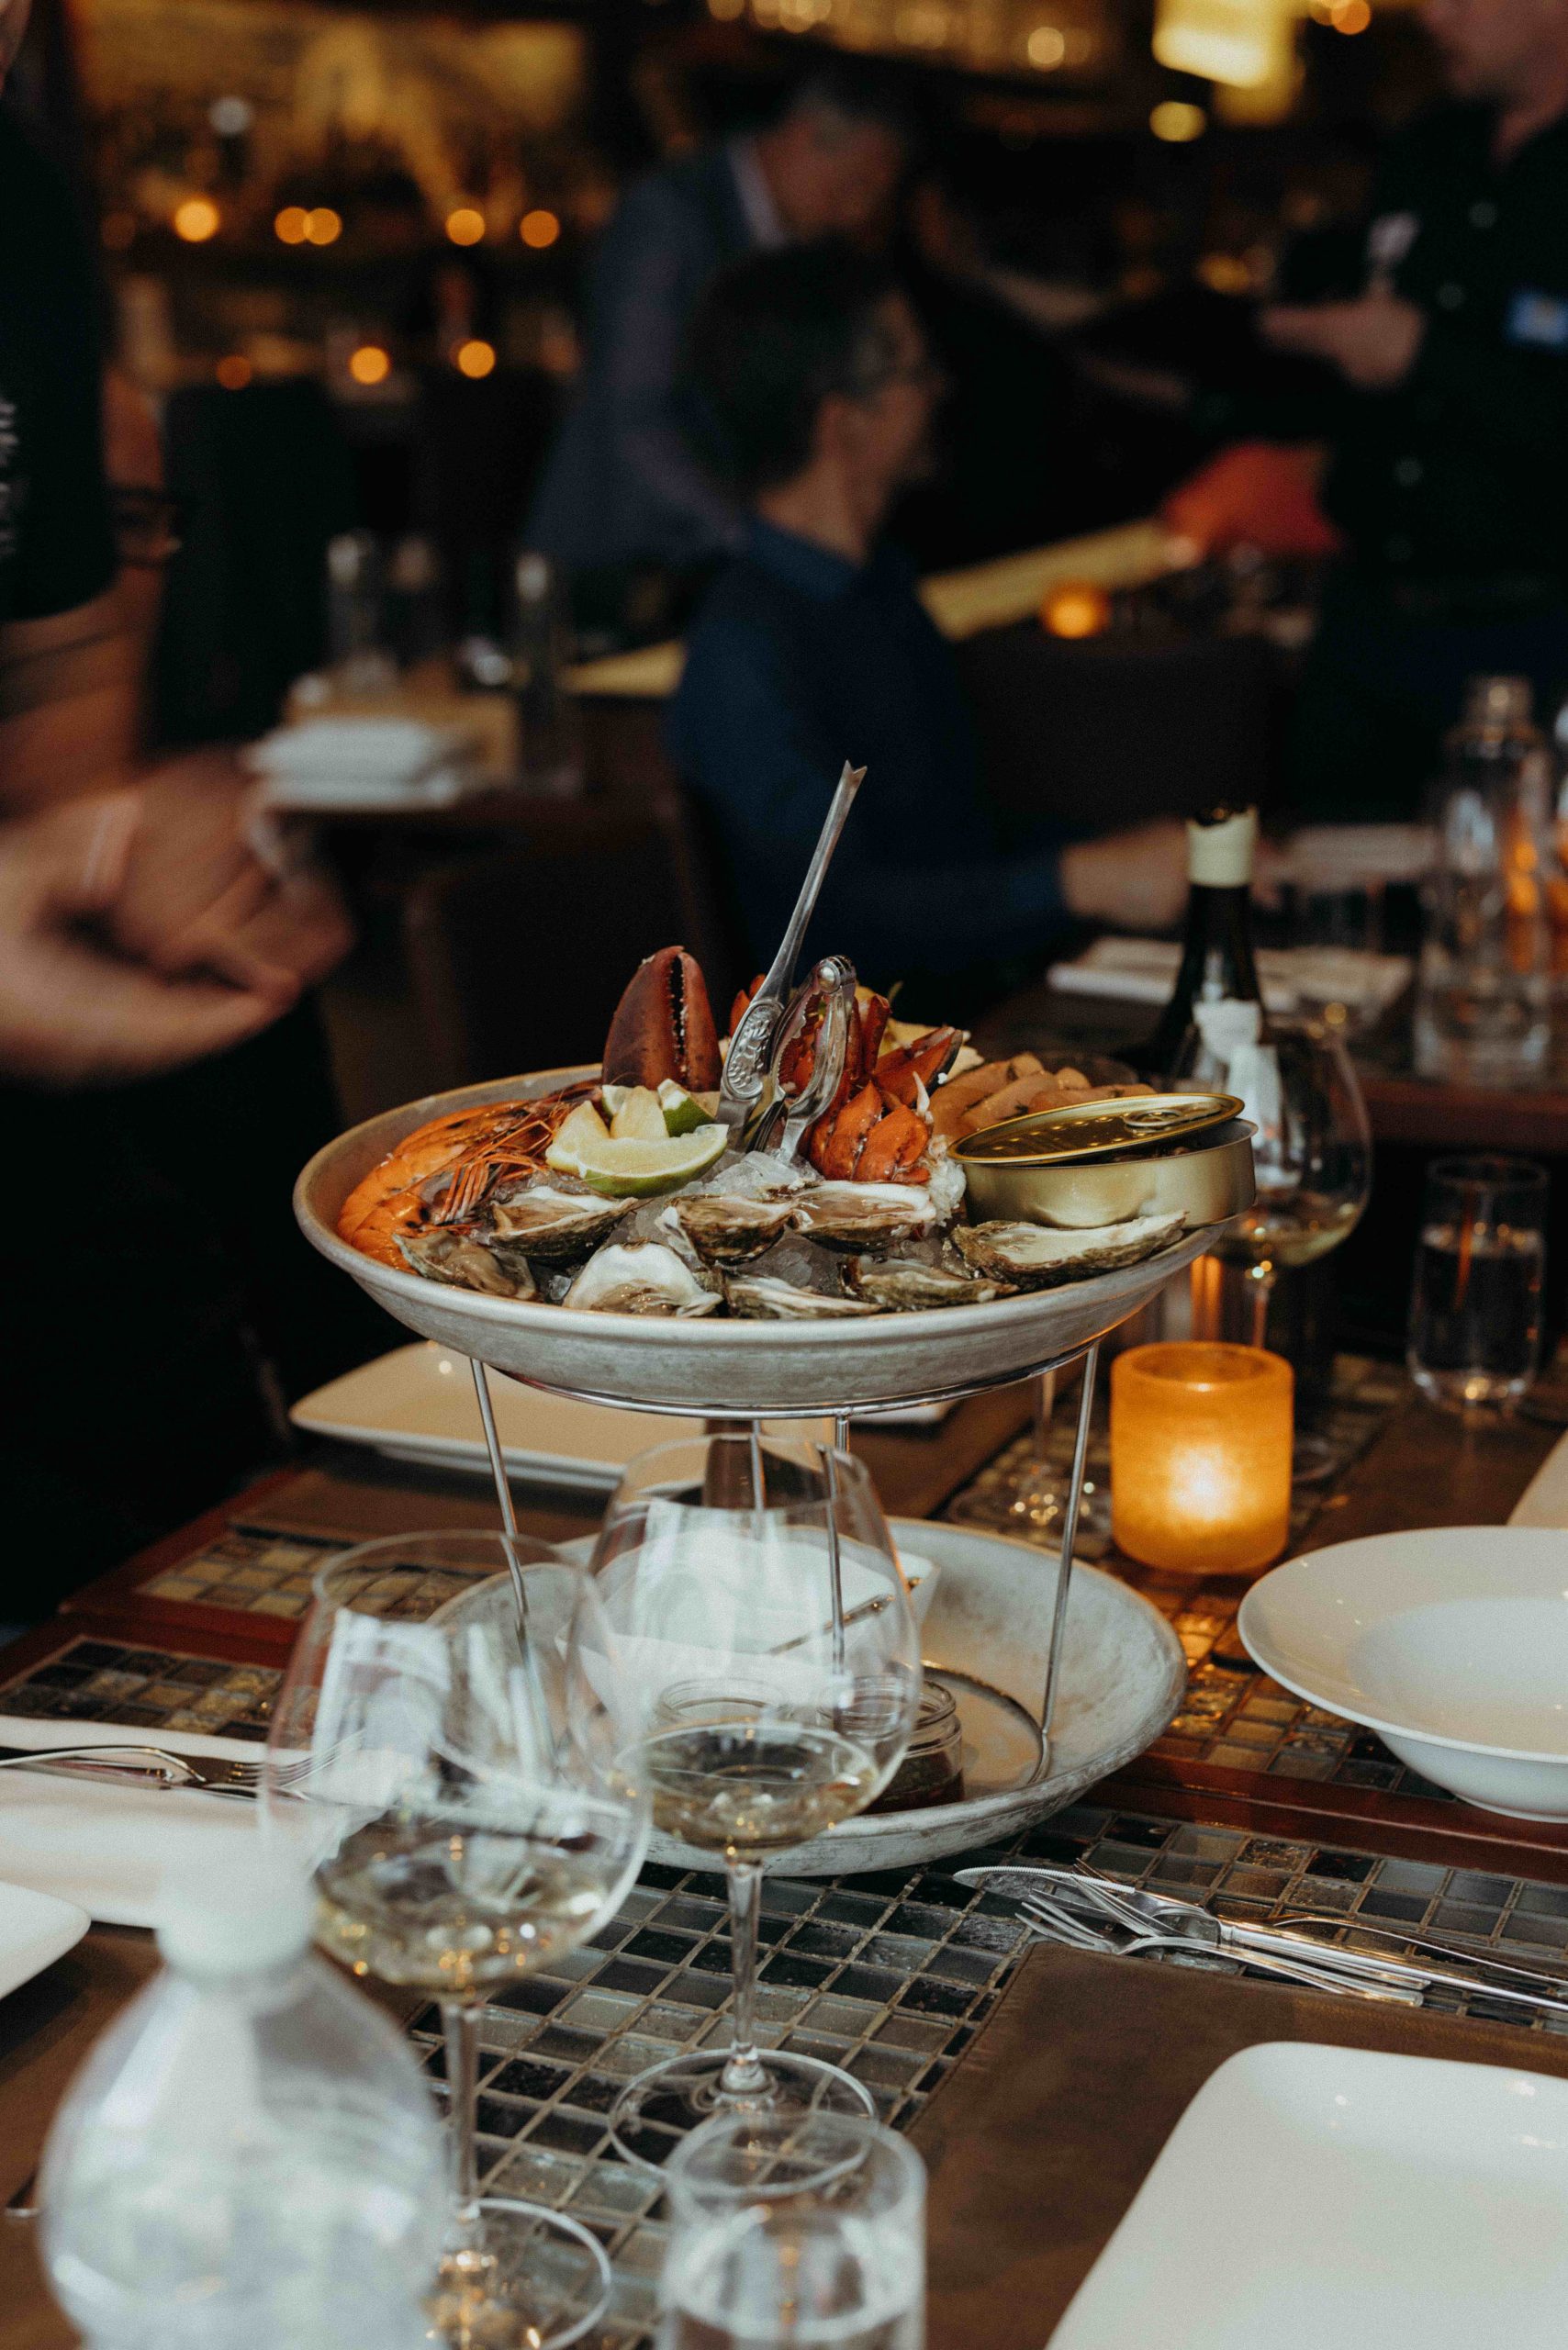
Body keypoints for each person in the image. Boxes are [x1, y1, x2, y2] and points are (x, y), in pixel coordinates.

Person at [667, 244, 1187, 1019]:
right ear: (841, 423)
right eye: (914, 372)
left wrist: (1135, 853)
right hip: (870, 1080)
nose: (939, 390)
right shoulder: (748, 647)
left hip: (981, 1012)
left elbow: (957, 836)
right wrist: (1081, 879)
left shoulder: (879, 589)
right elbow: (839, 925)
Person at [1260, 0, 1568, 814]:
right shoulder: (1429, 146)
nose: (1434, 18)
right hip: (1365, 624)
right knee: (1327, 908)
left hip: (1536, 639)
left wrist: (1425, 356)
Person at [525, 66, 912, 621]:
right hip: (619, 567)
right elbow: (634, 416)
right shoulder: (671, 217)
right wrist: (757, 535)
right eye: (854, 187)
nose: (855, 214)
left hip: (711, 570)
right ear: (804, 136)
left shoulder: (797, 245)